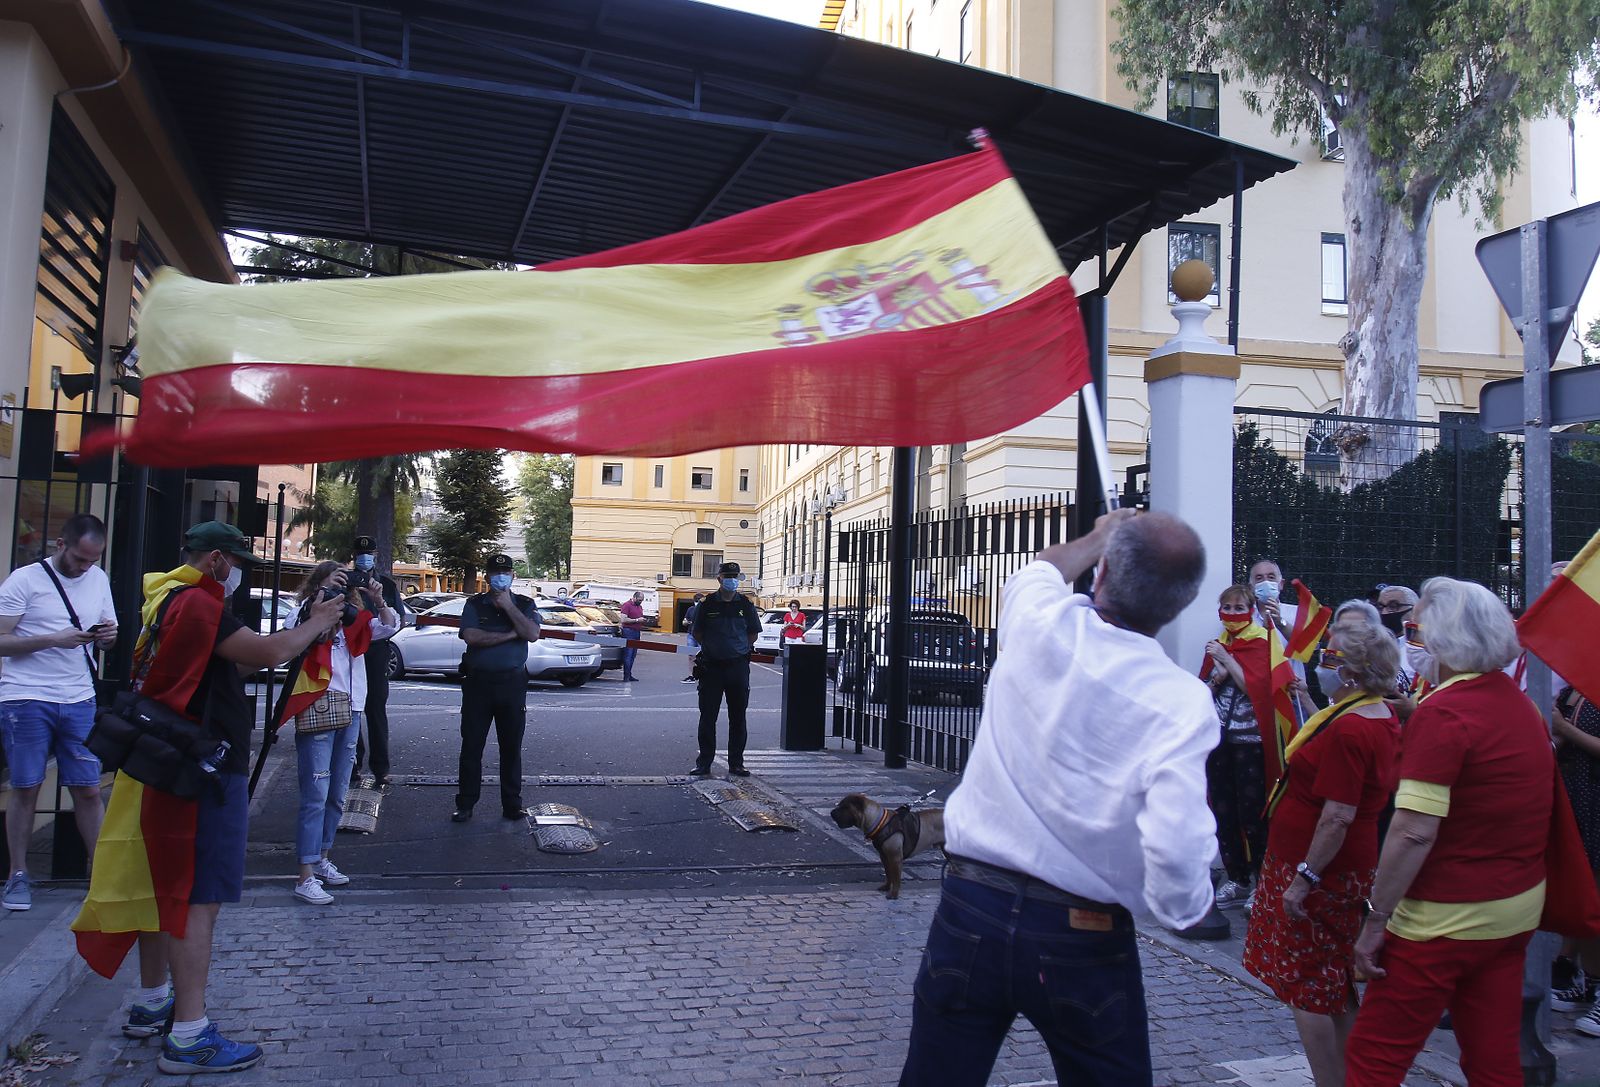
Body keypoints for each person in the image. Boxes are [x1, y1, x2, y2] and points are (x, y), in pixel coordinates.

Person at [898, 510, 1215, 1087]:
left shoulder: (1038, 622)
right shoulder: (1181, 703)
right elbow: (1178, 840)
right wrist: (1183, 910)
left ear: (1100, 577)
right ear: (1178, 605)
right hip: (1083, 933)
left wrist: (1098, 537)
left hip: (971, 904)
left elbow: (1041, 567)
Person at [73, 520, 343, 1073]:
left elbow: (228, 660)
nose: (237, 571)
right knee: (197, 896)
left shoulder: (164, 596)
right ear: (217, 559)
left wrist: (301, 634)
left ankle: (153, 1003)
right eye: (236, 561)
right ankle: (190, 1034)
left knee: (158, 883)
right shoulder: (197, 602)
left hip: (161, 760)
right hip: (198, 768)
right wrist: (314, 623)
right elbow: (264, 655)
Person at [1345, 577, 1551, 1086]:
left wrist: (1375, 922)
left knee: (1374, 1057)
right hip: (1513, 909)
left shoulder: (1445, 713)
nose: (1414, 641)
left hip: (1440, 919)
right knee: (1493, 1057)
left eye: (1416, 630)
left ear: (1443, 640)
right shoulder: (1515, 700)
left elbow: (1413, 832)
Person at [1242, 621, 1401, 1087]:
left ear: (1352, 673)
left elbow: (1338, 815)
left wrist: (1304, 878)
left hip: (1319, 871)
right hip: (1323, 864)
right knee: (1335, 982)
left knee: (1309, 988)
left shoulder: (1353, 728)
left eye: (1331, 659)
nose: (1322, 665)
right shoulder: (1362, 713)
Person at [0, 514, 118, 912]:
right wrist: (54, 639)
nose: (86, 567)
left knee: (87, 787)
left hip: (78, 697)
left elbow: (110, 635)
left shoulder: (98, 580)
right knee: (27, 785)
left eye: (92, 560)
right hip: (25, 697)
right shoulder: (24, 580)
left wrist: (106, 636)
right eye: (80, 559)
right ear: (60, 546)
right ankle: (18, 873)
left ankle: (99, 875)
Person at [285, 562, 398, 904]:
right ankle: (304, 875)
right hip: (317, 705)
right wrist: (320, 597)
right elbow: (291, 634)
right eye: (332, 581)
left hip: (350, 707)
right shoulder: (304, 613)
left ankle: (322, 859)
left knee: (337, 793)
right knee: (315, 792)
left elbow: (389, 628)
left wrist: (378, 601)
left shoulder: (354, 618)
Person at [1201, 585, 1275, 909]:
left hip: (1250, 739)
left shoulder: (1261, 641)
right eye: (1226, 608)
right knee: (1222, 809)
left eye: (1238, 607)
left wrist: (1227, 661)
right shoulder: (1218, 644)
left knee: (1252, 812)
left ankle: (1262, 879)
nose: (1231, 614)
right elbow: (1203, 690)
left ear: (1250, 608)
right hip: (1219, 738)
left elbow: (1254, 688)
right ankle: (1237, 876)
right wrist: (1217, 675)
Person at [452, 553, 541, 822]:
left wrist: (510, 609)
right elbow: (472, 636)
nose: (500, 576)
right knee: (471, 746)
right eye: (495, 573)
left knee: (511, 746)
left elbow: (533, 634)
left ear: (513, 576)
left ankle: (512, 804)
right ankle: (466, 804)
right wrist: (511, 634)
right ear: (487, 576)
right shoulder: (475, 604)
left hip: (512, 684)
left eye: (505, 572)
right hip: (478, 683)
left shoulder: (525, 604)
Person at [1550, 680, 1600, 1032]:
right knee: (1582, 893)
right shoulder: (1573, 687)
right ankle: (1585, 982)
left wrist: (1564, 728)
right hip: (1575, 800)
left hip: (1597, 801)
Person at [688, 562, 761, 778]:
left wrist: (736, 650)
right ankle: (704, 764)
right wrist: (716, 649)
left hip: (737, 667)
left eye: (734, 576)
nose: (731, 580)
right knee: (707, 717)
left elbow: (753, 634)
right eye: (727, 576)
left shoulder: (746, 605)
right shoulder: (707, 604)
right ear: (719, 579)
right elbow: (698, 632)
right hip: (712, 668)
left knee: (738, 717)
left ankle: (736, 764)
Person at [350, 535, 407, 787]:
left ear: (375, 556)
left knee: (376, 710)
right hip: (350, 651)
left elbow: (398, 621)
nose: (365, 558)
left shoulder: (386, 584)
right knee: (350, 709)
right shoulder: (345, 583)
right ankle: (352, 764)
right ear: (354, 557)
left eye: (369, 554)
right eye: (361, 554)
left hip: (376, 651)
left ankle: (380, 768)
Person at [619, 591, 645, 681]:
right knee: (628, 654)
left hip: (636, 632)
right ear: (634, 597)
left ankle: (629, 674)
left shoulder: (639, 606)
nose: (640, 602)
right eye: (639, 600)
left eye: (641, 600)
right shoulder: (627, 605)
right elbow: (623, 619)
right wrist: (637, 620)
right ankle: (626, 676)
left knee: (633, 655)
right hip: (628, 632)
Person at [680, 592, 704, 682]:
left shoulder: (706, 610)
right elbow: (684, 621)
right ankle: (691, 675)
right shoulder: (690, 609)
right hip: (691, 635)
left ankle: (703, 675)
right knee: (691, 656)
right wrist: (686, 622)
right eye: (696, 601)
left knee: (703, 656)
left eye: (699, 601)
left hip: (702, 636)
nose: (697, 603)